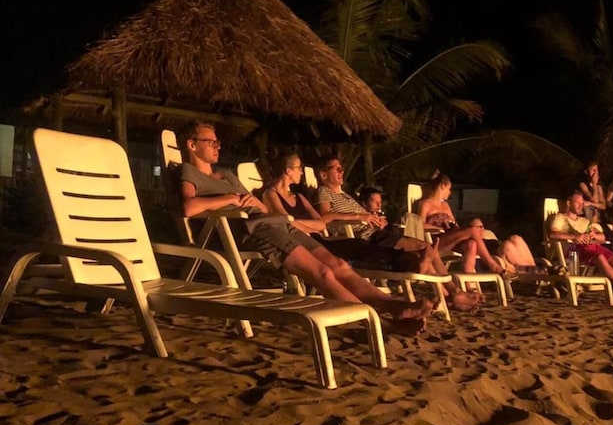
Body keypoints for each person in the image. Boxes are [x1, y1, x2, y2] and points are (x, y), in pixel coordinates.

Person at [177, 121, 431, 335]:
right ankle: (379, 325)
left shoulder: (227, 175)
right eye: (210, 142)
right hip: (251, 230)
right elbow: (188, 207)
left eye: (217, 142)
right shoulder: (188, 172)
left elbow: (260, 206)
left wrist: (253, 203)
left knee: (339, 265)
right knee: (322, 273)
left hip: (273, 223)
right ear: (192, 145)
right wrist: (231, 199)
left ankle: (393, 306)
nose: (218, 146)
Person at [356, 185, 483, 312]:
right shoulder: (363, 218)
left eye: (380, 201)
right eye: (374, 201)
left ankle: (449, 295)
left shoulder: (380, 218)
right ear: (364, 203)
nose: (378, 205)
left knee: (428, 252)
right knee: (426, 251)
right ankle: (453, 293)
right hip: (381, 245)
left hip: (392, 241)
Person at [548, 192, 613, 298]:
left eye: (582, 204)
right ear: (569, 203)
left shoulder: (584, 221)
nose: (581, 206)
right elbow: (552, 234)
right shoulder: (560, 217)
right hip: (574, 249)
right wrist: (574, 237)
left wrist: (594, 235)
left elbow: (598, 234)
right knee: (599, 257)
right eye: (578, 203)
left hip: (592, 246)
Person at [417, 173, 509, 275]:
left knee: (472, 244)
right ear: (442, 186)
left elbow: (455, 225)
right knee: (474, 230)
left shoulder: (446, 205)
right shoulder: (425, 204)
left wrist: (464, 231)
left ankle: (469, 281)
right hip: (438, 241)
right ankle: (492, 265)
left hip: (452, 238)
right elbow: (419, 225)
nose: (450, 192)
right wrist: (437, 227)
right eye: (449, 189)